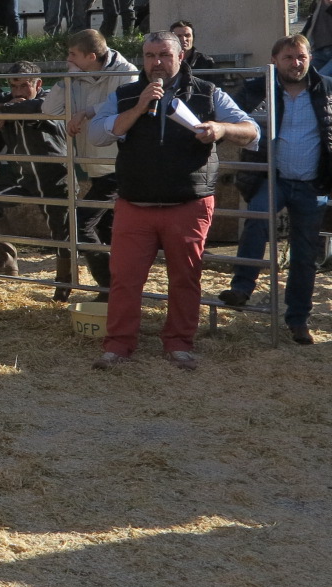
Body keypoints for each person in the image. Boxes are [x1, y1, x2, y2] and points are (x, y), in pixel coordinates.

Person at [89, 31, 257, 370]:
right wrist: (139, 107)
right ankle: (119, 344)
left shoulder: (208, 93)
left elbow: (252, 130)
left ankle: (179, 343)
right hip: (135, 203)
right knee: (124, 278)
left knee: (185, 277)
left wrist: (221, 130)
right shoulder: (126, 95)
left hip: (188, 204)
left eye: (164, 55)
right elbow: (96, 134)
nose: (156, 63)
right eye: (150, 56)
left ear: (181, 57)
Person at [218, 35, 332, 343]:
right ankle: (242, 288)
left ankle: (298, 319)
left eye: (301, 57)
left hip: (313, 182)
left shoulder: (327, 89)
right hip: (273, 177)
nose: (296, 63)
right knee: (257, 218)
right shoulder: (258, 88)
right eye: (289, 57)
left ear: (310, 59)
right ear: (274, 60)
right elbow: (230, 116)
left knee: (305, 255)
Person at [39, 29, 138, 297]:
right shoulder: (76, 75)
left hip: (119, 165)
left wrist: (86, 112)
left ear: (91, 56)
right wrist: (67, 79)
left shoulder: (127, 72)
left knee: (81, 224)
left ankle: (109, 287)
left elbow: (121, 105)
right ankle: (115, 289)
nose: (68, 59)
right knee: (104, 229)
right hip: (94, 165)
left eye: (73, 54)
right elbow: (48, 110)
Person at [0, 62, 70, 293]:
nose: (18, 91)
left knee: (62, 234)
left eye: (24, 86)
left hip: (53, 178)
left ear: (38, 84)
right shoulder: (9, 99)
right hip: (22, 178)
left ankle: (63, 287)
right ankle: (8, 259)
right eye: (14, 86)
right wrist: (1, 106)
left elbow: (34, 107)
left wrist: (4, 110)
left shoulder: (51, 100)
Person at [299, 0, 332, 72]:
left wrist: (330, 3)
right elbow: (312, 22)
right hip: (318, 49)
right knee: (305, 77)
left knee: (323, 79)